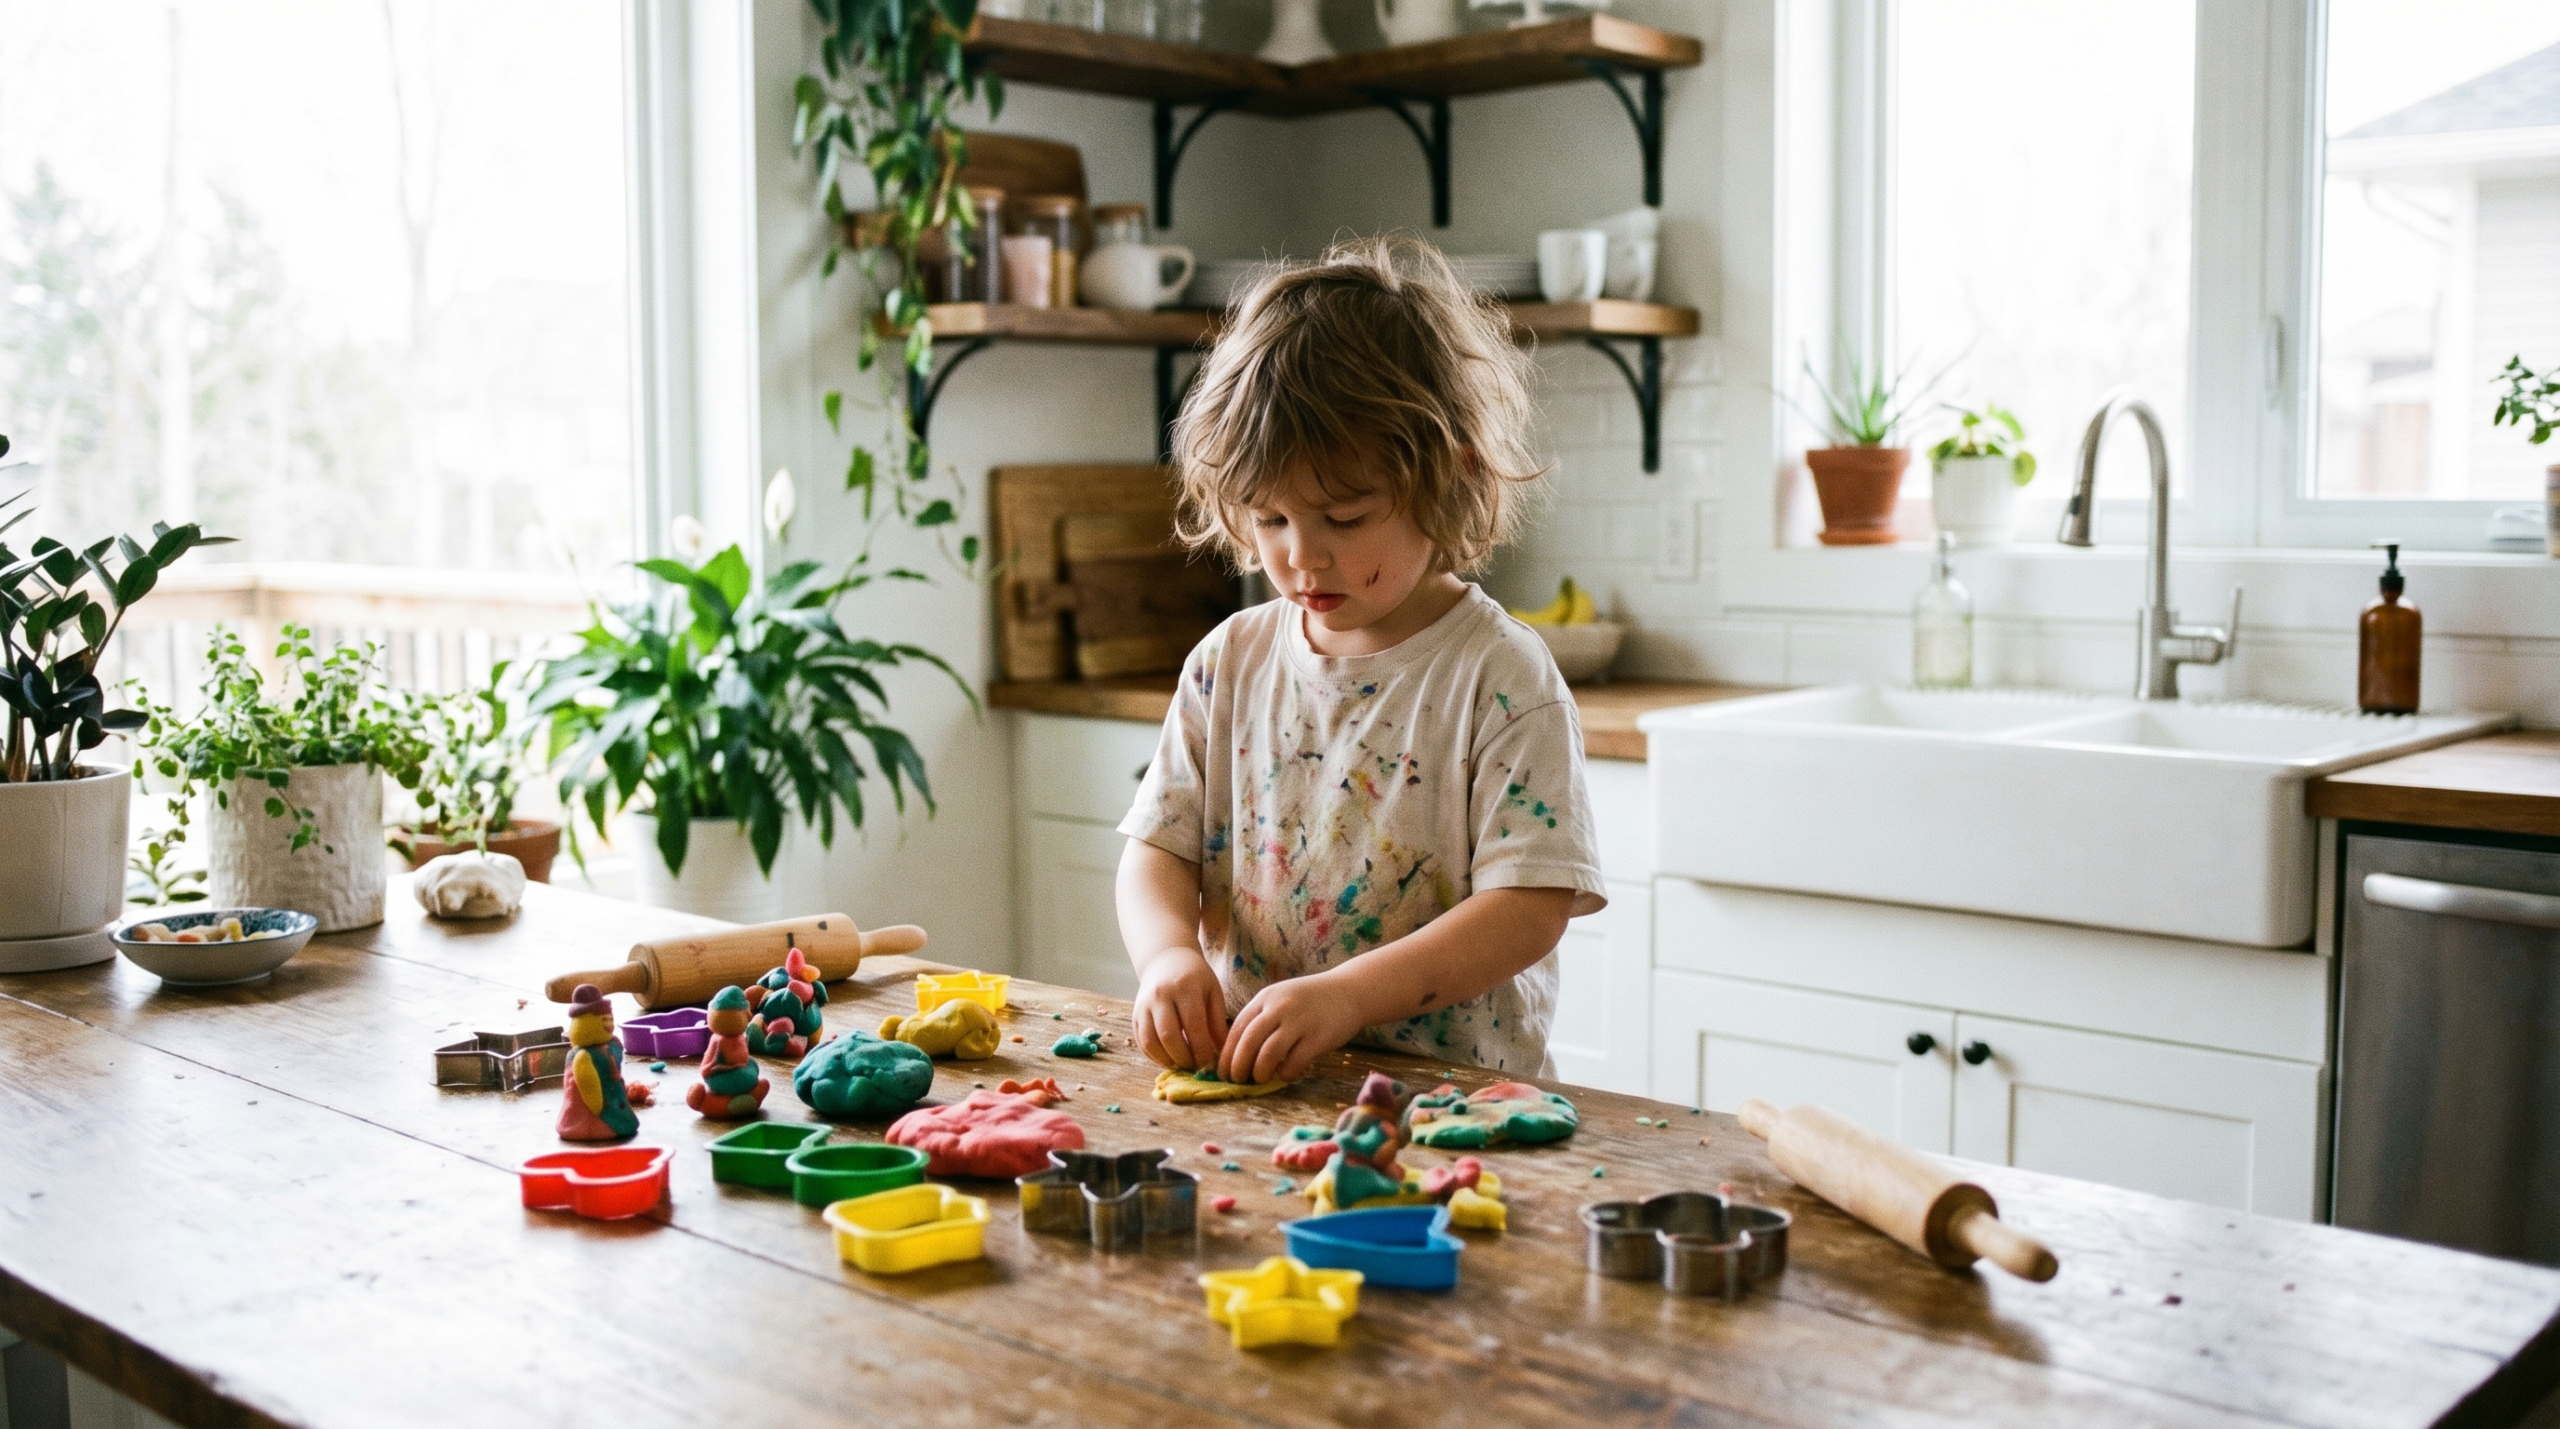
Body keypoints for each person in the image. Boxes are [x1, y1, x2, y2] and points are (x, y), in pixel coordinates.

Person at [1116, 233, 1605, 1085]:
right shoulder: (1226, 663)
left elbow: (1529, 906)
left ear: (1444, 479)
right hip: (1263, 1083)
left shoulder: (1500, 678)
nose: (1303, 557)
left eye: (1343, 518)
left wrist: (1349, 995)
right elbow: (1157, 849)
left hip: (1451, 1104)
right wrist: (1165, 957)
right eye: (1269, 519)